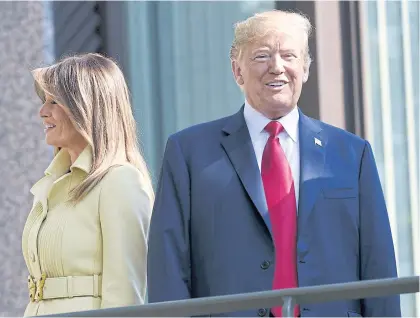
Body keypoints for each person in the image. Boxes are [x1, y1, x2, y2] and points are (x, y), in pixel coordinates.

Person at [147, 10, 400, 317]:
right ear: (237, 70)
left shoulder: (351, 154)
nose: (277, 67)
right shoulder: (188, 154)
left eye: (289, 55)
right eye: (262, 56)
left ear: (305, 68)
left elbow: (379, 270)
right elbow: (168, 269)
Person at [22, 53, 154, 316]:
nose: (42, 112)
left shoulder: (120, 182)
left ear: (85, 107)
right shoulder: (52, 185)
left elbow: (125, 296)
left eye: (54, 101)